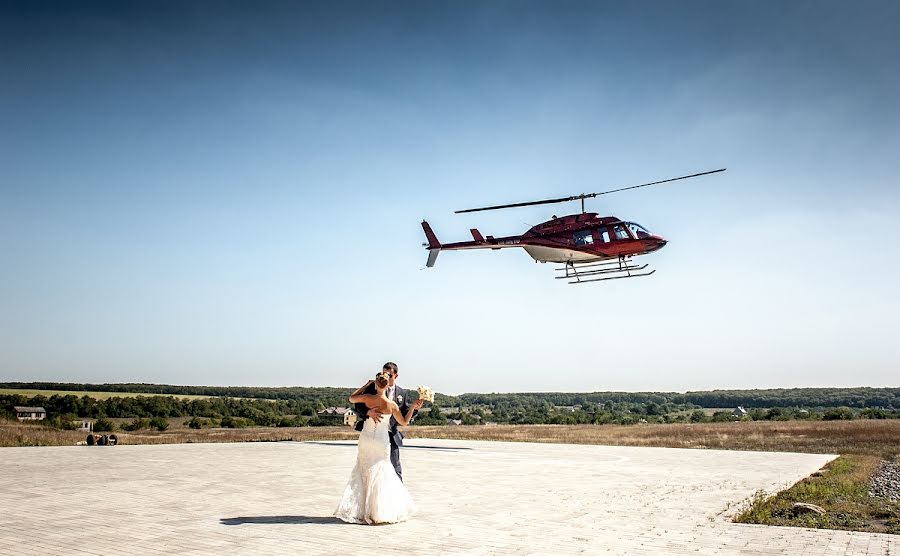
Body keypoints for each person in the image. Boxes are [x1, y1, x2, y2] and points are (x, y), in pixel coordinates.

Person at [334, 371, 424, 525]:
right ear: (387, 384)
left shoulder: (368, 398)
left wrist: (365, 385)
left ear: (376, 384)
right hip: (381, 441)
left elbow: (351, 398)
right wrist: (413, 407)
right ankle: (377, 511)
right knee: (381, 471)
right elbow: (403, 422)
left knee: (363, 470)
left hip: (366, 438)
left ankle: (362, 511)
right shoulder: (391, 405)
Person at [352, 362, 416, 480]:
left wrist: (414, 408)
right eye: (383, 373)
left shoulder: (402, 393)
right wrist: (367, 412)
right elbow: (357, 406)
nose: (386, 376)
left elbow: (405, 411)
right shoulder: (372, 389)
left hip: (391, 434)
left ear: (396, 376)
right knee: (368, 468)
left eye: (389, 375)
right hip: (371, 434)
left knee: (395, 468)